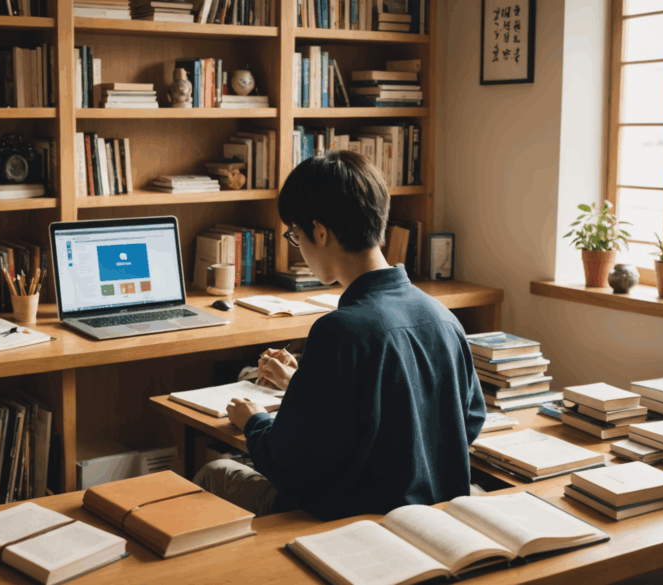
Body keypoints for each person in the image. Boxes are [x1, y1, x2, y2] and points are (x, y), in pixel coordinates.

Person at [193, 150, 486, 521]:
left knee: (215, 472)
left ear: (320, 232)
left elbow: (288, 464)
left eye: (295, 234)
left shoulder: (340, 331)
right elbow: (469, 420)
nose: (298, 246)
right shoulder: (442, 317)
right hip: (430, 520)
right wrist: (303, 384)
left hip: (352, 524)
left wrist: (254, 421)